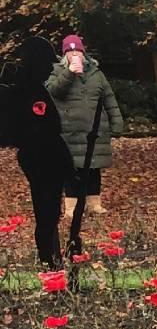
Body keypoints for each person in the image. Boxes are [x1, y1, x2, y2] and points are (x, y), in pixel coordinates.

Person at [1, 37, 74, 267]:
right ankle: (50, 260)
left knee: (48, 210)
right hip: (42, 154)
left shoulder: (29, 86)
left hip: (39, 154)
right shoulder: (33, 89)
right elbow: (44, 124)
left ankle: (52, 258)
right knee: (47, 211)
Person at [47, 35, 124, 216]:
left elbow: (109, 98)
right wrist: (69, 73)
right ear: (65, 54)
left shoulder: (96, 74)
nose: (75, 54)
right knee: (72, 170)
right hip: (69, 132)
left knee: (94, 169)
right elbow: (53, 91)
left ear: (83, 53)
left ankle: (94, 203)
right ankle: (71, 208)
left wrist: (117, 122)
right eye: (71, 51)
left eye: (78, 51)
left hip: (95, 131)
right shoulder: (57, 71)